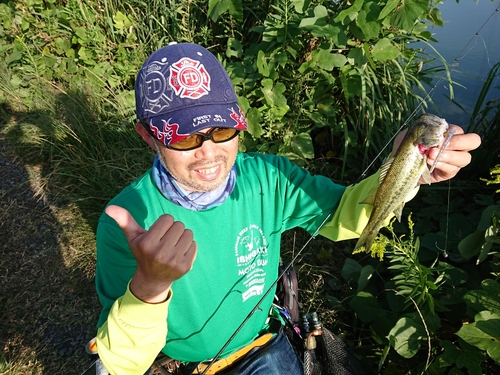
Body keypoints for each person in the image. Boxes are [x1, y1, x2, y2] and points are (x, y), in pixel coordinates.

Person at [93, 42, 481, 375]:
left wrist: (405, 173)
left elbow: (344, 214)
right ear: (147, 135)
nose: (208, 152)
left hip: (262, 340)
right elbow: (123, 362)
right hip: (183, 359)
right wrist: (150, 285)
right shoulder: (128, 221)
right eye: (184, 137)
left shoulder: (270, 177)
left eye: (222, 130)